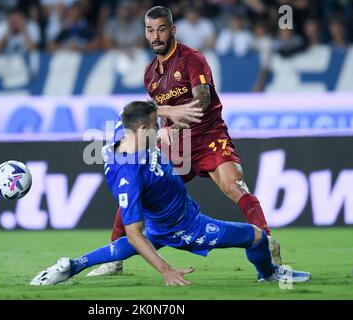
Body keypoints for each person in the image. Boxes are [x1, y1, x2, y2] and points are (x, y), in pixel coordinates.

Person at [88, 6, 282, 277]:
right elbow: (152, 113)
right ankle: (114, 259)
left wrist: (170, 117)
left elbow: (201, 102)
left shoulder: (192, 59)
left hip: (209, 135)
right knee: (139, 191)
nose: (155, 36)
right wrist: (167, 118)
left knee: (233, 185)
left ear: (172, 30)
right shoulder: (149, 75)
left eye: (161, 29)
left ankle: (268, 241)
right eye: (150, 30)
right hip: (176, 145)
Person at [30, 101, 311, 286]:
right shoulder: (128, 175)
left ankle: (70, 266)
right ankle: (269, 275)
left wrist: (168, 112)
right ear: (142, 129)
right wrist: (166, 270)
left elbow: (130, 111)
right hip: (186, 227)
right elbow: (134, 232)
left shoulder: (124, 131)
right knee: (257, 238)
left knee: (133, 244)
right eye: (155, 126)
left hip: (160, 224)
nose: (159, 130)